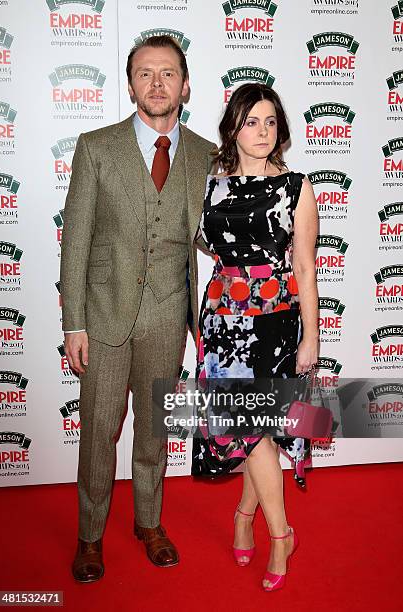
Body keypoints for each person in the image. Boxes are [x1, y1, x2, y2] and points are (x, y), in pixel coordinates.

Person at [60, 35, 216, 581]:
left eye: (167, 73)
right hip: (102, 318)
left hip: (168, 319)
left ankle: (148, 523)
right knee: (98, 432)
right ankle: (89, 535)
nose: (156, 83)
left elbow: (213, 235)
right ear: (130, 85)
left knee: (154, 432)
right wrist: (73, 322)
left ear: (185, 84)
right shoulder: (95, 146)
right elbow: (75, 240)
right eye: (145, 73)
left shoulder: (204, 154)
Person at [192, 83, 319, 591]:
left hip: (272, 322)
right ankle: (251, 519)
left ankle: (276, 533)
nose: (262, 132)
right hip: (223, 319)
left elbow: (306, 269)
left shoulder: (296, 188)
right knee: (245, 430)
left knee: (258, 430)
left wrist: (311, 338)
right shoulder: (211, 184)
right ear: (232, 128)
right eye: (251, 121)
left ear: (280, 130)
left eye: (270, 122)